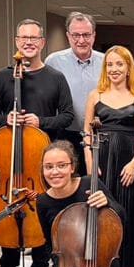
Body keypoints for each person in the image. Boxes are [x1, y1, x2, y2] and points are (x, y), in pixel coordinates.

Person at [0, 19, 75, 267]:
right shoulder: (2, 78)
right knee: (8, 207)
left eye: (33, 38)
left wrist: (41, 122)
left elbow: (68, 115)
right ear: (16, 41)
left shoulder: (55, 78)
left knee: (42, 210)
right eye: (23, 37)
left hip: (42, 159)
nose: (28, 42)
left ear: (41, 43)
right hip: (10, 159)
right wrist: (5, 118)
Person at [83, 45, 134, 267]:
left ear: (128, 68)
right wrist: (91, 165)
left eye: (119, 64)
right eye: (110, 64)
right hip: (102, 160)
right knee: (103, 217)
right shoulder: (95, 95)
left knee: (130, 218)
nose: (114, 69)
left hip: (129, 163)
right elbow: (87, 133)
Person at [36, 140, 129, 267]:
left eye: (61, 165)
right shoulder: (43, 201)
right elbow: (51, 244)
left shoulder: (89, 184)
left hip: (101, 265)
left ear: (72, 167)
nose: (55, 172)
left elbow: (121, 218)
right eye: (48, 167)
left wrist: (108, 203)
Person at [45, 12, 104, 175]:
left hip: (98, 135)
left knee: (96, 184)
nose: (81, 40)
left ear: (94, 35)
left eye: (86, 35)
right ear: (68, 36)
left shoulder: (106, 63)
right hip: (65, 135)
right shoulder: (53, 62)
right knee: (67, 184)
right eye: (76, 35)